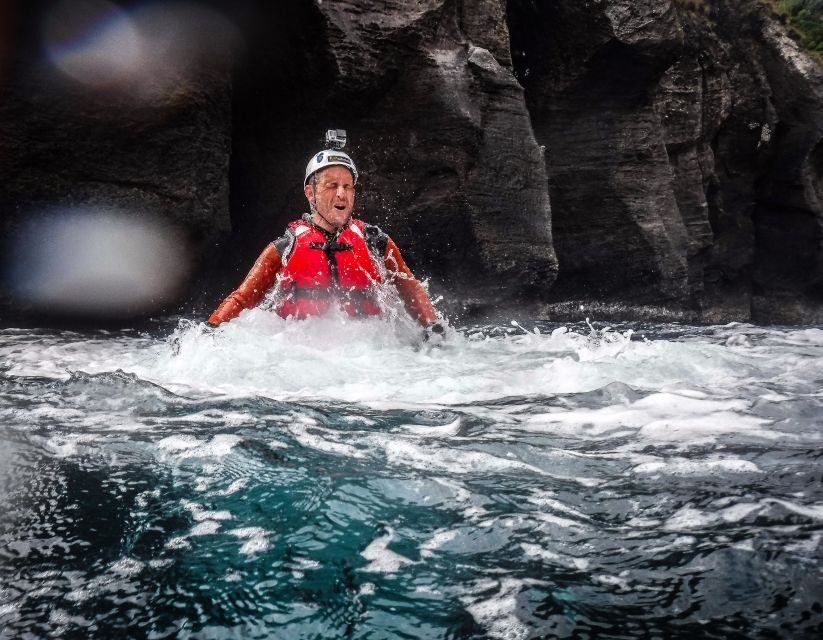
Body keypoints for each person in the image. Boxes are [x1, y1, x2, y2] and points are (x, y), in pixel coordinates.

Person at [208, 139, 443, 338]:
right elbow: (241, 300)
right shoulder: (284, 248)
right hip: (301, 356)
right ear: (310, 193)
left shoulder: (376, 242)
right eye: (332, 186)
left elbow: (411, 288)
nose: (342, 194)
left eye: (347, 186)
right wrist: (210, 331)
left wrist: (433, 328)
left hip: (370, 355)